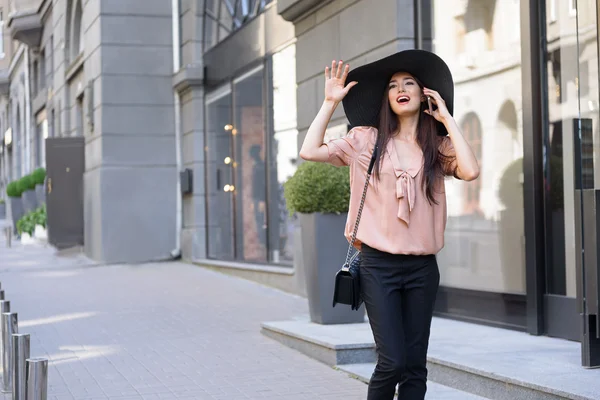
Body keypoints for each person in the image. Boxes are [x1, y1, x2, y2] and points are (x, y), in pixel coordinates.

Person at [298, 50, 480, 400]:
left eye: (409, 82)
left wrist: (447, 118)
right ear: (386, 99)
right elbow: (310, 150)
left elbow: (470, 170)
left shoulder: (438, 149)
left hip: (422, 269)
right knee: (392, 361)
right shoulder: (365, 140)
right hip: (377, 265)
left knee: (415, 366)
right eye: (393, 85)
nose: (400, 88)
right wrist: (329, 102)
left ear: (423, 94)